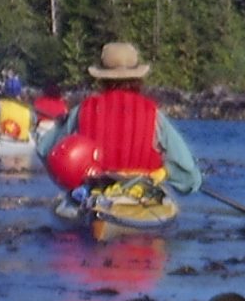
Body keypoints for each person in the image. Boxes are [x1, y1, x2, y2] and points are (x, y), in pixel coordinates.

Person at [40, 41, 202, 194]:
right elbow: (190, 177)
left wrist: (67, 179)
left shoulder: (82, 110)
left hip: (96, 192)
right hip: (141, 194)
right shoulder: (154, 115)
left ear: (102, 78)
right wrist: (166, 173)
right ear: (138, 78)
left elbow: (45, 149)